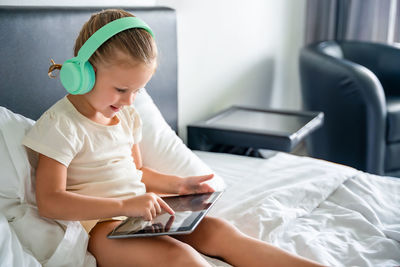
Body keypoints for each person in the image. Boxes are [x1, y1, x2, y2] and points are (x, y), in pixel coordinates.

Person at [23, 9, 324, 267]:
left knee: (221, 232)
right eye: (121, 90)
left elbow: (137, 172)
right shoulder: (61, 125)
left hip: (139, 216)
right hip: (101, 228)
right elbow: (51, 203)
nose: (129, 102)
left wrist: (179, 186)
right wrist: (124, 205)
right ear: (84, 72)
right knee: (180, 258)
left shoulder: (126, 116)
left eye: (137, 91)